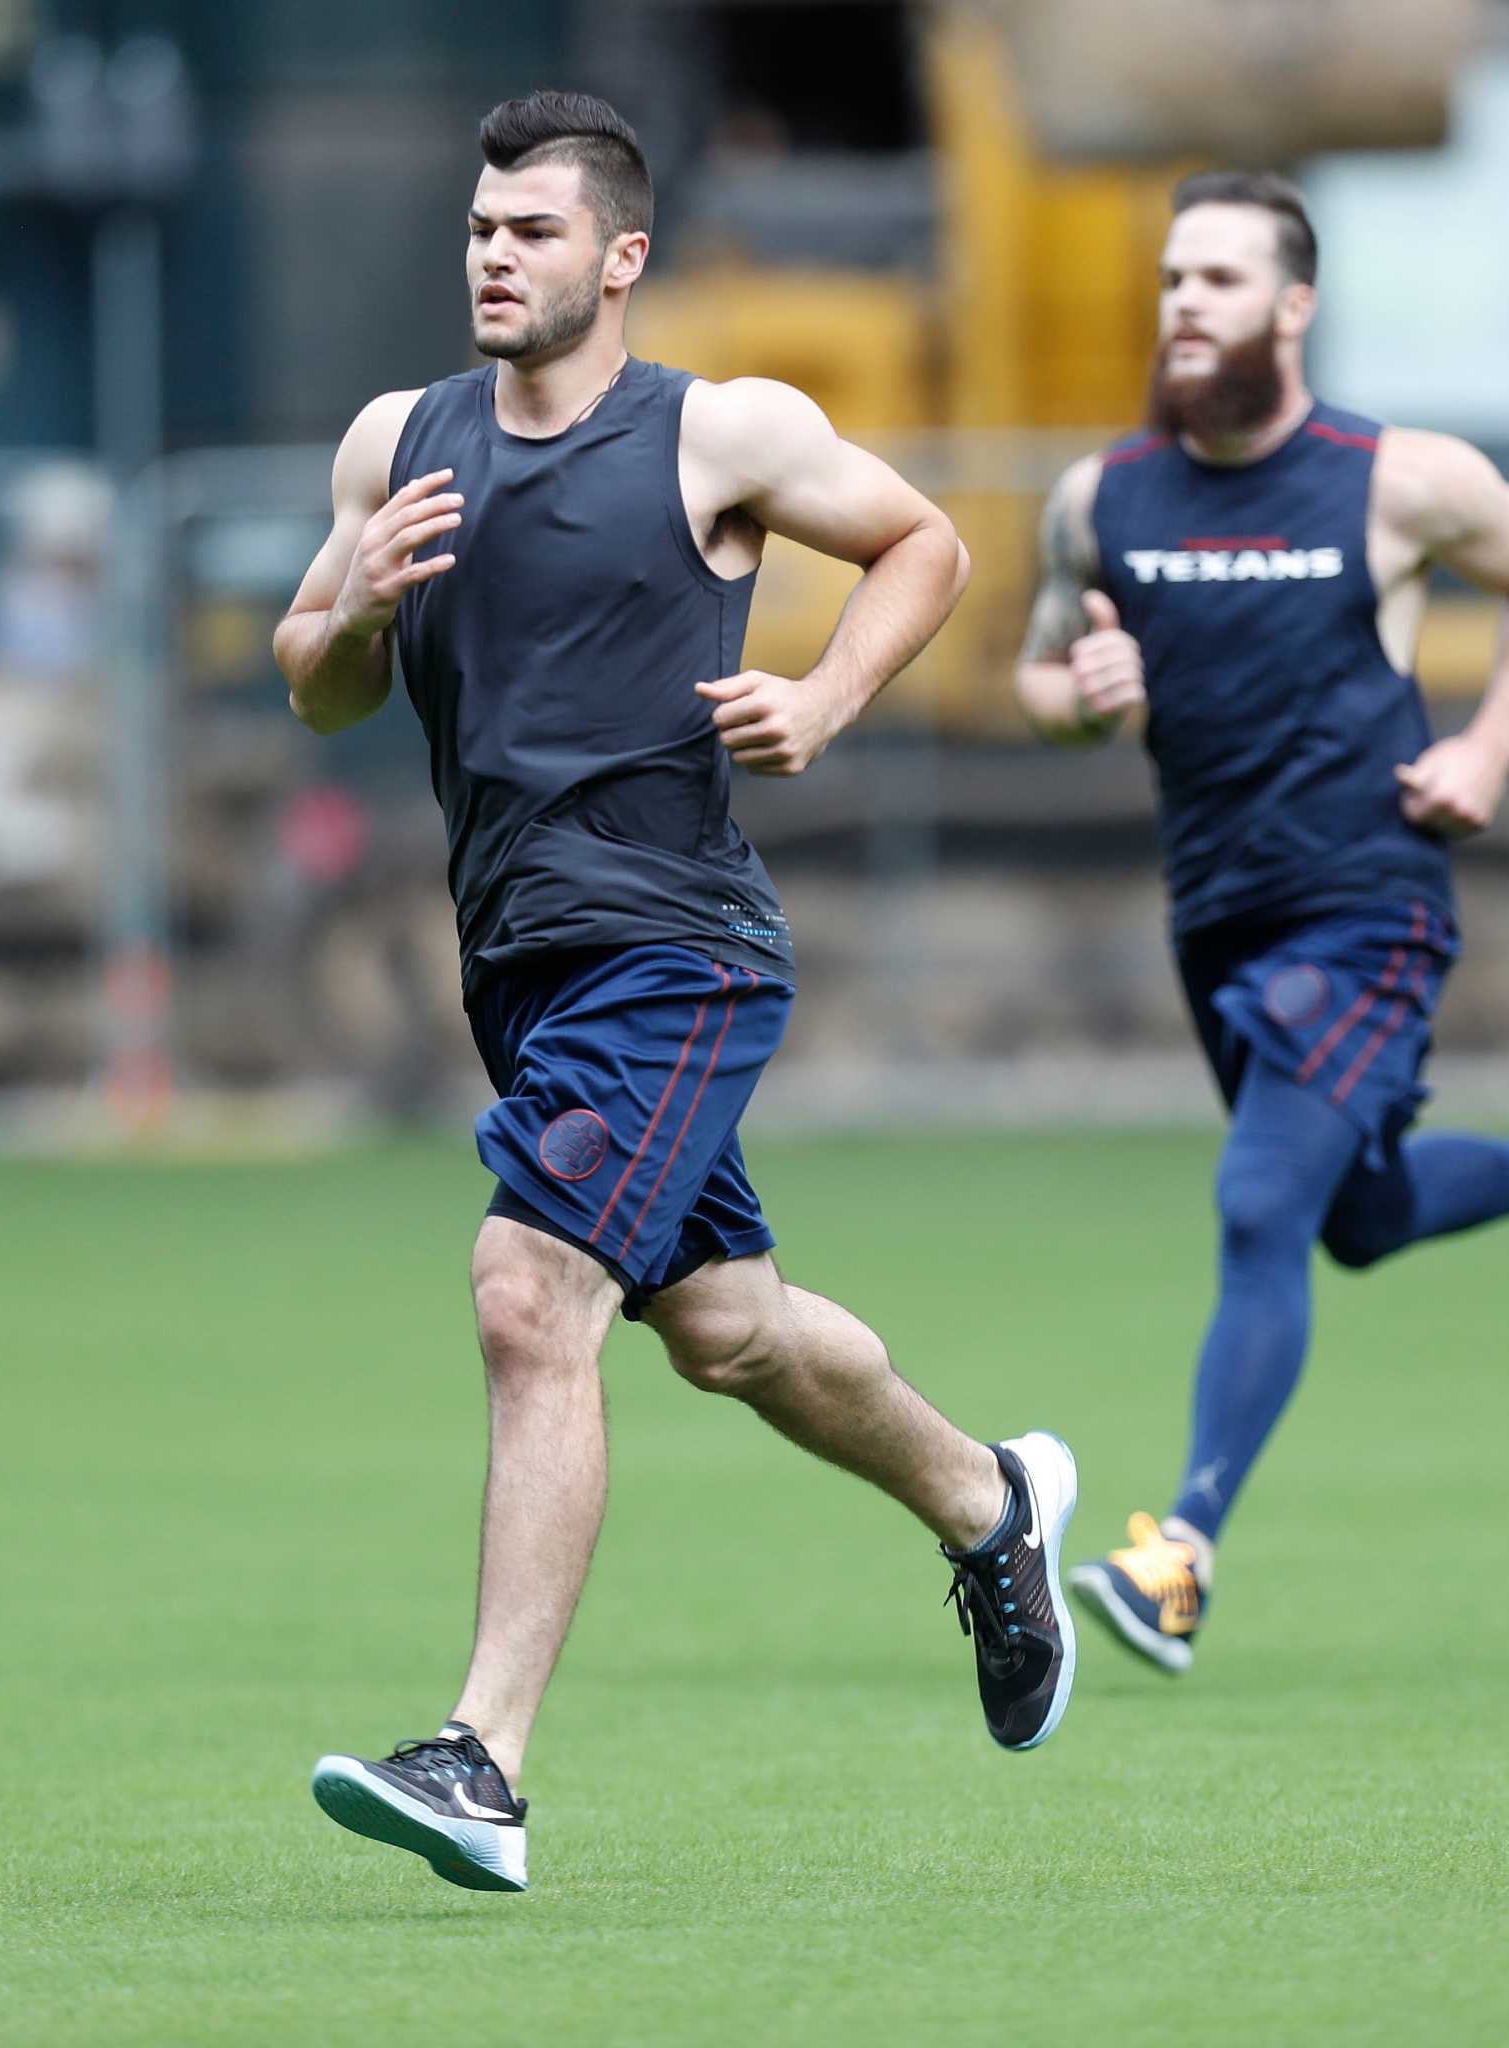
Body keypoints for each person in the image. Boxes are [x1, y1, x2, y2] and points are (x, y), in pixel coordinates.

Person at [274, 90, 1076, 1893]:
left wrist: (824, 702)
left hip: (679, 949)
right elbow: (313, 679)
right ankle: (989, 1502)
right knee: (728, 1330)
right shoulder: (398, 441)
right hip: (521, 969)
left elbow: (924, 544)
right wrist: (353, 618)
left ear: (620, 258)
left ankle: (480, 1759)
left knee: (525, 1286)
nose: (494, 255)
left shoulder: (721, 433)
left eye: (534, 231)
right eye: (482, 228)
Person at [1014, 171, 1509, 1676]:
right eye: (1171, 279)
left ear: (1294, 307)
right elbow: (1036, 672)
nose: (1184, 305)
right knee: (1358, 1214)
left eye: (1218, 279)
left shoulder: (1393, 478)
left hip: (1368, 904)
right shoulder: (1103, 498)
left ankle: (1178, 1553)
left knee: (1262, 1205)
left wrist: (1486, 749)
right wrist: (1079, 703)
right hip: (1214, 919)